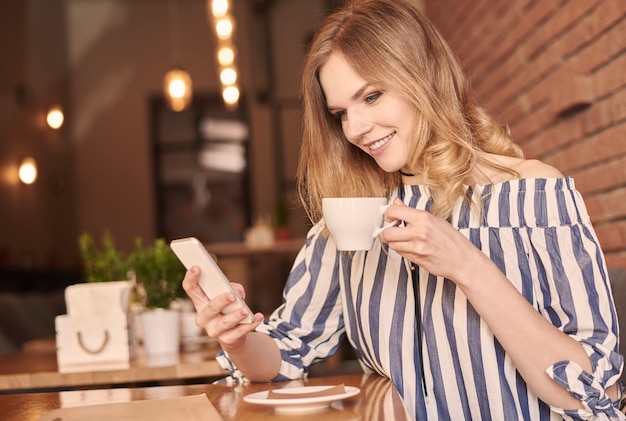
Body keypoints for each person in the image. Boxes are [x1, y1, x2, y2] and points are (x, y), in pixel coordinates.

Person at [182, 0, 624, 419]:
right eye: (340, 113)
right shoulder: (349, 217)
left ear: (425, 78)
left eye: (371, 96)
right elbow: (283, 357)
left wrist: (467, 264)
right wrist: (238, 339)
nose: (354, 129)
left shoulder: (533, 192)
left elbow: (596, 395)